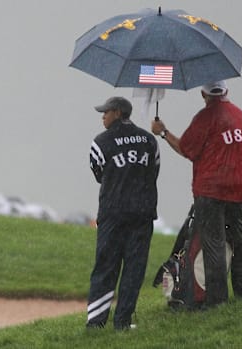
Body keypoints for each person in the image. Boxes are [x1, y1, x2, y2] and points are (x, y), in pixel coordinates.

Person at [151, 81, 242, 306]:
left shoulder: (206, 117)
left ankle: (216, 300)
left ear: (203, 94)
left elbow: (186, 148)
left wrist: (163, 132)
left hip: (212, 191)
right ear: (226, 91)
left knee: (214, 243)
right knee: (240, 240)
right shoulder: (241, 116)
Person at [87, 97, 160, 330]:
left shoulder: (101, 142)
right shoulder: (149, 140)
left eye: (106, 112)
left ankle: (96, 323)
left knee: (106, 266)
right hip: (143, 214)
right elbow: (154, 171)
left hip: (112, 213)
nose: (103, 116)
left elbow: (98, 173)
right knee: (134, 268)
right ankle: (122, 322)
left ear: (117, 113)